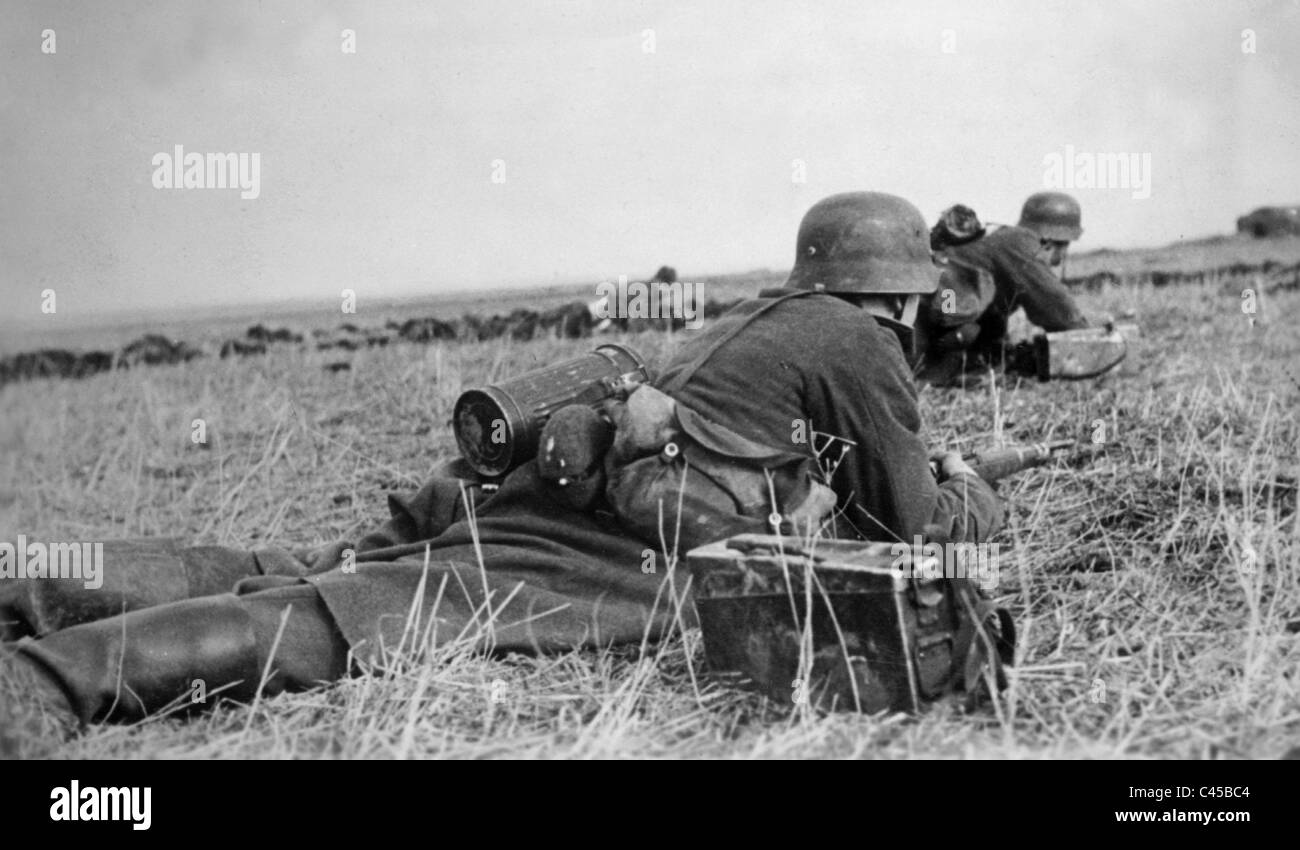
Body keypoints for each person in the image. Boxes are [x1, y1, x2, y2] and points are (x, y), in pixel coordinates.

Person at [2, 192, 1001, 726]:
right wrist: (970, 492)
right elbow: (912, 526)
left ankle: (33, 584)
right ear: (903, 292)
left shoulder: (758, 316)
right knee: (338, 617)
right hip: (615, 552)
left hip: (539, 492)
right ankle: (47, 684)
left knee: (317, 569)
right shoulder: (858, 339)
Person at [914, 192, 1091, 386]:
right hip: (933, 328)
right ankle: (943, 373)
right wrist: (1090, 341)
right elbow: (1056, 305)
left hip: (927, 318)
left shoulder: (1006, 238)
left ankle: (963, 369)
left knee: (991, 325)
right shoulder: (1022, 244)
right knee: (970, 329)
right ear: (1059, 242)